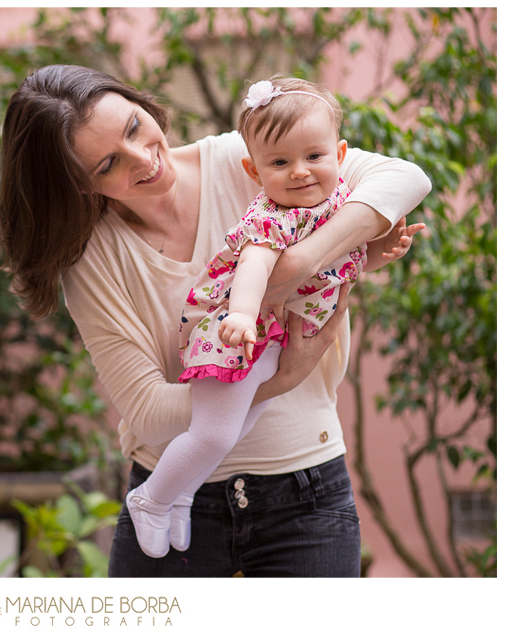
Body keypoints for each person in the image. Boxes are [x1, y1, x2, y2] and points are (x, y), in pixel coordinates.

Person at [0, 64, 431, 577]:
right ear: (79, 184)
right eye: (108, 162)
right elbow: (148, 410)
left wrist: (298, 264)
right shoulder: (92, 257)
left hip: (305, 493)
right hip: (174, 498)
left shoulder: (246, 158)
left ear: (143, 106)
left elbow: (405, 178)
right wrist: (279, 377)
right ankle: (162, 499)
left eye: (135, 127)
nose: (143, 159)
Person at [122, 77, 425, 559]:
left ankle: (180, 491)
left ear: (340, 154)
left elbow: (346, 263)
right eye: (280, 163)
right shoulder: (272, 217)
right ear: (254, 170)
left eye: (315, 157)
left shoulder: (339, 204)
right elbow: (255, 265)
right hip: (239, 333)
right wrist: (242, 315)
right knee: (216, 431)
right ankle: (151, 498)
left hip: (275, 338)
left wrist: (382, 253)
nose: (300, 172)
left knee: (237, 424)